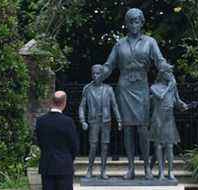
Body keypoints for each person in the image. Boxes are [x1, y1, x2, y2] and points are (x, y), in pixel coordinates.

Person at [95, 8, 173, 180]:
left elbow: (159, 61)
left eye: (137, 20)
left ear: (142, 22)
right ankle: (130, 168)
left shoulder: (150, 42)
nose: (134, 24)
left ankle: (146, 167)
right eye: (131, 21)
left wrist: (166, 68)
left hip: (141, 87)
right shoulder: (119, 44)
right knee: (128, 129)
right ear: (126, 23)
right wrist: (101, 74)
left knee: (142, 129)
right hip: (124, 87)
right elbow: (109, 65)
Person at [78, 64, 122, 179]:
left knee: (104, 146)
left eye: (98, 73)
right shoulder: (87, 89)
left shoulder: (108, 89)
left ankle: (103, 170)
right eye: (94, 73)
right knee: (93, 146)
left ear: (102, 75)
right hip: (93, 121)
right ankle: (90, 169)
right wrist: (82, 120)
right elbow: (82, 106)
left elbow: (114, 105)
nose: (96, 76)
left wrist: (119, 120)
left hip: (106, 120)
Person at [149, 63, 189, 180]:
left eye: (171, 72)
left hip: (169, 117)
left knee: (170, 145)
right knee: (159, 145)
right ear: (162, 73)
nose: (171, 75)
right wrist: (169, 87)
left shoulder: (172, 87)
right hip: (158, 117)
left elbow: (177, 101)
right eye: (168, 72)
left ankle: (170, 172)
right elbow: (160, 96)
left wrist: (182, 104)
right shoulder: (154, 87)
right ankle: (161, 172)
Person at [35, 91, 79, 190]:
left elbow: (39, 141)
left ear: (52, 102)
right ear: (64, 102)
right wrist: (68, 158)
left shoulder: (41, 121)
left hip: (47, 165)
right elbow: (74, 146)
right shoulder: (68, 122)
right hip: (64, 166)